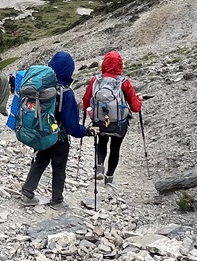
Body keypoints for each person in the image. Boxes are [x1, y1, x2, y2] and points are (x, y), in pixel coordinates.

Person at [20, 51, 92, 207]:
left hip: (42, 133)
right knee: (59, 167)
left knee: (40, 161)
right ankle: (57, 200)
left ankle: (27, 192)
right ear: (69, 70)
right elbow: (72, 125)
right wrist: (85, 131)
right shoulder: (66, 92)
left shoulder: (41, 87)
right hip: (59, 138)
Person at [81, 50, 142, 185]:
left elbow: (85, 102)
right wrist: (140, 100)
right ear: (120, 64)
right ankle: (109, 177)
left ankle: (99, 167)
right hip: (118, 125)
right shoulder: (124, 82)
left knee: (102, 143)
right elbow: (135, 107)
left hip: (100, 122)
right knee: (115, 148)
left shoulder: (95, 80)